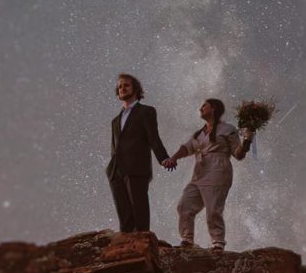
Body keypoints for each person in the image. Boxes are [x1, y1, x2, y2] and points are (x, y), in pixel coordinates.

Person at [162, 98, 252, 253]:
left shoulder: (227, 129)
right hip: (199, 172)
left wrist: (247, 141)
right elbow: (187, 147)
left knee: (213, 209)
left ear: (214, 108)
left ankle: (218, 242)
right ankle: (187, 240)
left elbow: (238, 154)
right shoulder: (200, 133)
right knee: (184, 205)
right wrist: (173, 158)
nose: (200, 108)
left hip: (218, 169)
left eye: (204, 105)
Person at [106, 73, 175, 233]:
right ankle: (126, 249)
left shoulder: (146, 111)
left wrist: (163, 158)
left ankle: (143, 244)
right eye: (120, 86)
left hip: (136, 168)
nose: (122, 88)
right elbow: (114, 146)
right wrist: (111, 169)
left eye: (126, 85)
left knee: (140, 211)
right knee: (124, 216)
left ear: (136, 89)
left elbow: (153, 138)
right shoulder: (115, 120)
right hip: (116, 172)